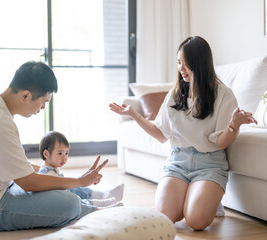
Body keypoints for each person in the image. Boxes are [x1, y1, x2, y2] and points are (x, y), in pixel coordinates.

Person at [109, 36, 257, 230]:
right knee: (164, 217)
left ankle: (210, 200)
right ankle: (196, 196)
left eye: (186, 64)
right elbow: (161, 134)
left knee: (195, 221)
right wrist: (134, 115)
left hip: (209, 164)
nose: (181, 68)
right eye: (179, 62)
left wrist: (233, 125)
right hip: (177, 162)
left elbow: (221, 143)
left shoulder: (223, 95)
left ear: (200, 64)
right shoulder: (175, 93)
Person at [0, 61, 109, 232]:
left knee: (51, 179)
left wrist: (46, 172)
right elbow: (29, 183)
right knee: (70, 204)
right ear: (25, 96)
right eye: (44, 101)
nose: (43, 107)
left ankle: (94, 198)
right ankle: (91, 204)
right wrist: (79, 181)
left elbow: (13, 165)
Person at [38, 131, 124, 212]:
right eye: (60, 153)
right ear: (46, 154)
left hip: (63, 198)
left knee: (75, 188)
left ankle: (102, 195)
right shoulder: (48, 173)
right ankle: (98, 208)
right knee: (74, 199)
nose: (64, 157)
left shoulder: (52, 169)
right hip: (61, 205)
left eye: (66, 153)